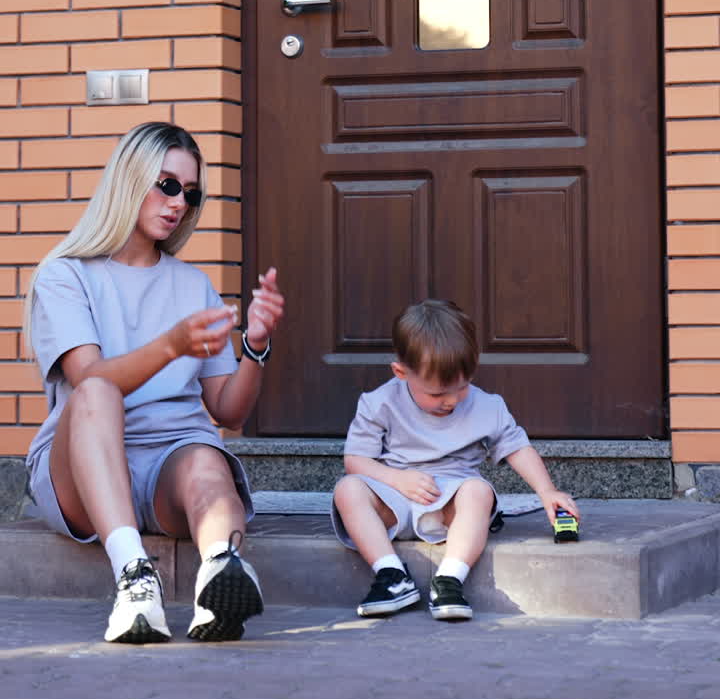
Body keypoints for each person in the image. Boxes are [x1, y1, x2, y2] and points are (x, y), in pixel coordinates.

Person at [24, 121, 284, 646]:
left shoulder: (194, 285)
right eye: (166, 185)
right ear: (129, 178)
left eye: (190, 193)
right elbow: (88, 378)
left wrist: (255, 346)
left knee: (207, 459)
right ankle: (135, 579)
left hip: (171, 460)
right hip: (84, 464)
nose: (178, 203)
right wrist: (171, 345)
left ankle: (220, 576)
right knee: (97, 389)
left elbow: (228, 410)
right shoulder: (65, 274)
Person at [332, 299, 578, 621]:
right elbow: (356, 460)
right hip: (394, 502)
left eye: (462, 387)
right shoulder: (379, 403)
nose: (451, 400)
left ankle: (449, 580)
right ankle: (391, 576)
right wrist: (397, 480)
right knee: (348, 489)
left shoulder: (487, 406)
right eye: (437, 394)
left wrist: (547, 491)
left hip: (449, 506)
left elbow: (517, 448)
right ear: (401, 372)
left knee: (478, 491)